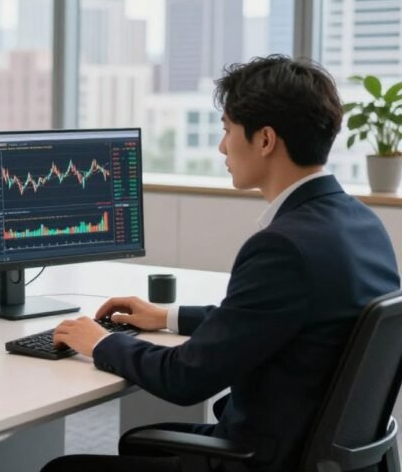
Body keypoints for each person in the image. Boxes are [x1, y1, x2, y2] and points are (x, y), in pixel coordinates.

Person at [45, 56, 400, 472]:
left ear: (265, 140)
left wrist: (100, 342)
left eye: (227, 130)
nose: (221, 146)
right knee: (142, 442)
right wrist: (167, 316)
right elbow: (269, 318)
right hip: (316, 451)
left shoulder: (283, 248)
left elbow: (185, 379)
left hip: (265, 459)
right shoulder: (362, 224)